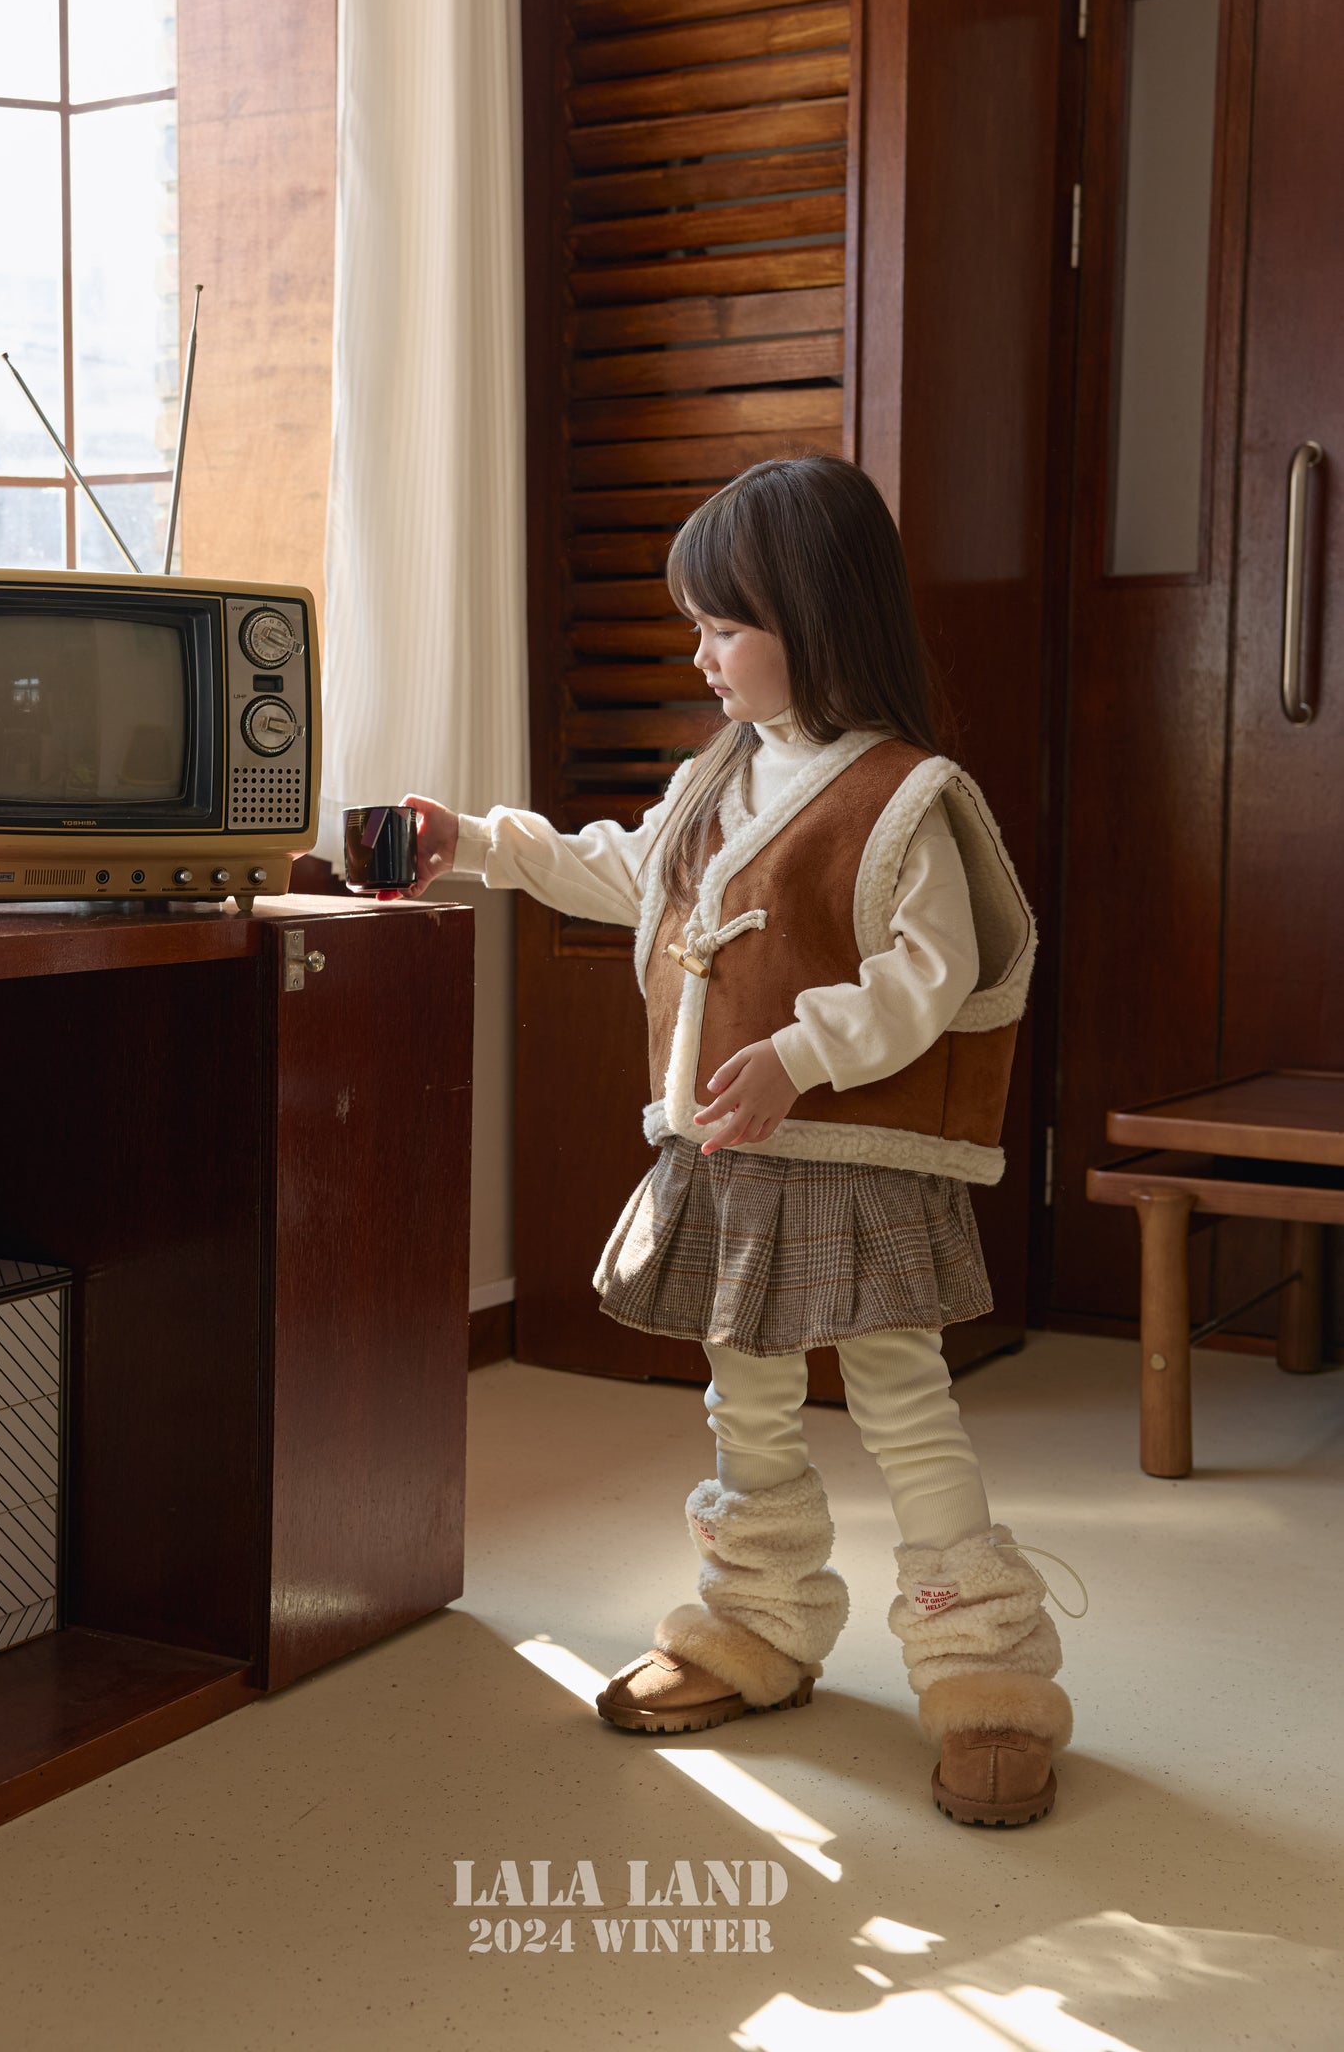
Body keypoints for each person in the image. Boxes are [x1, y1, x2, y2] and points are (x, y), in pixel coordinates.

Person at [400, 455, 1075, 1827]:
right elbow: (620, 868)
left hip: (858, 1160)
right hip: (729, 1160)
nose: (698, 654)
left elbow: (924, 973)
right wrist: (475, 842)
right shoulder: (723, 775)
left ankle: (984, 1670)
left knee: (898, 1400)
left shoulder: (900, 794)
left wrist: (797, 1054)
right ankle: (755, 1624)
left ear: (815, 621)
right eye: (695, 627)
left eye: (723, 626)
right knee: (745, 1400)